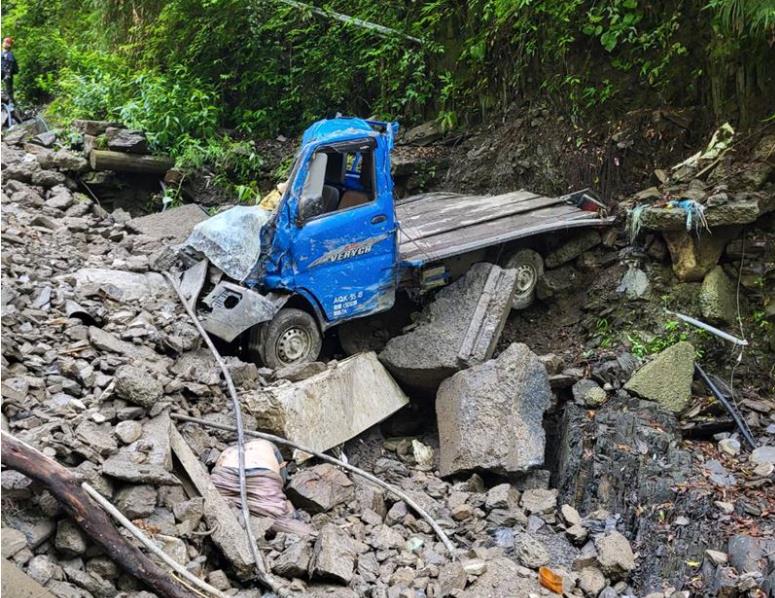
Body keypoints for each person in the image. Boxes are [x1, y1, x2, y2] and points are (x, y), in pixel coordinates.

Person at [2, 37, 19, 103]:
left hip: (7, 74)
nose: (4, 43)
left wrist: (8, 74)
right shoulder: (2, 54)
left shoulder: (9, 54)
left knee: (9, 91)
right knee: (8, 90)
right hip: (3, 72)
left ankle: (11, 105)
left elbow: (11, 64)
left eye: (6, 42)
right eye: (4, 42)